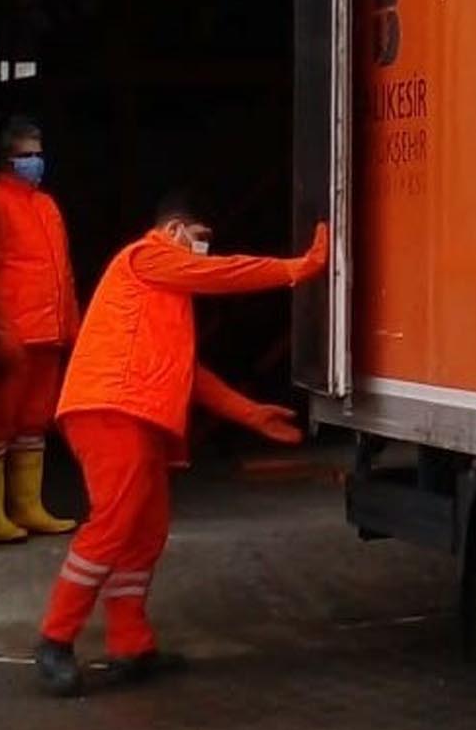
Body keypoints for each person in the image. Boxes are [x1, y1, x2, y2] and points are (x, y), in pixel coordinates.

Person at [35, 194, 325, 697]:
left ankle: (131, 644)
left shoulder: (163, 295)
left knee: (144, 533)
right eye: (200, 237)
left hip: (133, 416)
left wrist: (252, 415)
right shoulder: (148, 257)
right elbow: (225, 276)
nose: (205, 249)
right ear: (174, 230)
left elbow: (188, 375)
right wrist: (299, 269)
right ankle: (55, 640)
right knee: (114, 525)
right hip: (112, 412)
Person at [0, 117, 80, 545]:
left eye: (38, 154)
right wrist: (2, 332)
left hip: (49, 333)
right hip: (17, 334)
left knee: (35, 422)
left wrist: (72, 326)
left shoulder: (48, 206)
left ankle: (28, 507)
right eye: (26, 155)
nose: (35, 162)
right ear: (7, 159)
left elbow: (64, 273)